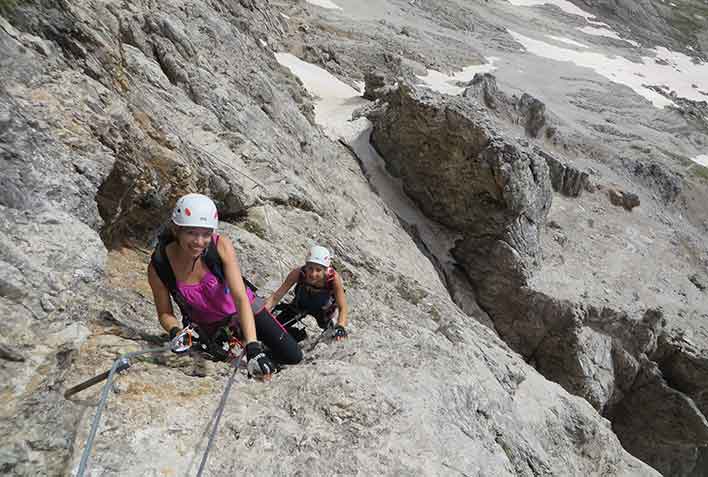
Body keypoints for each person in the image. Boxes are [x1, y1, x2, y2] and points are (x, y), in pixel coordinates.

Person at [147, 193, 302, 378]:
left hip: (244, 311)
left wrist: (252, 345)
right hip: (208, 327)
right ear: (176, 229)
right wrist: (175, 330)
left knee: (292, 356)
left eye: (205, 234)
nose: (199, 241)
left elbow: (240, 297)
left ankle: (258, 341)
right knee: (219, 359)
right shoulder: (160, 266)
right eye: (191, 233)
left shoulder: (220, 247)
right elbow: (165, 313)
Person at [264, 245, 348, 342]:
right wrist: (261, 312)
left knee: (328, 331)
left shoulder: (333, 279)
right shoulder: (298, 273)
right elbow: (276, 297)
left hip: (322, 312)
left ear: (325, 270)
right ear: (306, 266)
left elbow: (343, 306)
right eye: (310, 268)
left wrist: (340, 326)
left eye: (318, 270)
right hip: (300, 305)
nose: (313, 274)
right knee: (276, 327)